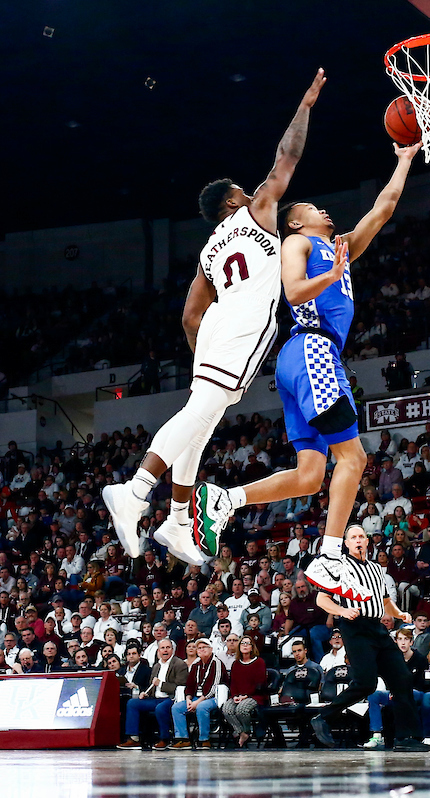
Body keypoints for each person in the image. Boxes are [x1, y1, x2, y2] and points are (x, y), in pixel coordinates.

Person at [101, 70, 326, 565]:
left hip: (218, 326)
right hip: (241, 324)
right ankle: (135, 491)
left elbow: (188, 316)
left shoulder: (208, 250)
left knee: (202, 422)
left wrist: (205, 352)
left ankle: (178, 523)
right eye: (243, 191)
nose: (252, 193)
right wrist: (305, 105)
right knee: (200, 415)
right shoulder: (257, 213)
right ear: (232, 201)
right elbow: (286, 157)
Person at [196, 142, 423, 600]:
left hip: (303, 360)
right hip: (311, 349)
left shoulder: (340, 248)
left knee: (310, 476)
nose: (326, 211)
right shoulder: (296, 242)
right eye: (315, 208)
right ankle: (331, 554)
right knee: (354, 459)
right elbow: (296, 292)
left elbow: (384, 208)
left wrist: (402, 161)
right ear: (296, 220)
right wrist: (331, 271)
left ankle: (225, 499)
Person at [306, 525, 430, 751]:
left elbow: (384, 602)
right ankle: (323, 716)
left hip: (377, 627)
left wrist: (399, 613)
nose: (358, 540)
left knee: (402, 679)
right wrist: (342, 611)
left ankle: (406, 737)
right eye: (353, 537)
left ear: (367, 541)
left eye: (361, 536)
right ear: (346, 543)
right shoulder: (339, 566)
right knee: (366, 683)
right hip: (354, 628)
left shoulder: (376, 568)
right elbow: (321, 600)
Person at [362, 627, 430, 749]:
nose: (403, 642)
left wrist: (400, 692)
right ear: (395, 641)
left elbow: (424, 683)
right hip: (394, 692)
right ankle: (377, 735)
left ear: (411, 642)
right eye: (400, 639)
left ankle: (410, 736)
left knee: (406, 695)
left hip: (416, 692)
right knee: (374, 695)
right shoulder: (392, 659)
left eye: (406, 639)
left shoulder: (420, 659)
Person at [117, 639, 188, 750]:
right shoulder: (156, 666)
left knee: (160, 708)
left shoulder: (179, 664)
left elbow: (179, 687)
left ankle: (164, 738)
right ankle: (134, 738)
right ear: (158, 651)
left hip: (171, 698)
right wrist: (145, 693)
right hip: (156, 698)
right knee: (132, 703)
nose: (165, 650)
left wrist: (161, 683)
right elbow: (152, 686)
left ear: (172, 650)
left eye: (168, 647)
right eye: (162, 648)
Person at [167, 638, 224, 749]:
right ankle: (183, 739)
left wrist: (197, 702)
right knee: (177, 707)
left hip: (213, 698)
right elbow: (190, 685)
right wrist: (188, 699)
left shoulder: (217, 663)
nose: (202, 650)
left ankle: (204, 739)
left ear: (211, 649)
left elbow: (213, 687)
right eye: (199, 648)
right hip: (195, 697)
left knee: (202, 707)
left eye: (204, 647)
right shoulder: (195, 664)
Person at [221, 637, 268, 748]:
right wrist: (235, 696)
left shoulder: (259, 662)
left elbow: (260, 684)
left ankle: (246, 731)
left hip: (255, 695)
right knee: (226, 709)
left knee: (241, 709)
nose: (245, 645)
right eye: (243, 643)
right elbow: (233, 684)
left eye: (248, 643)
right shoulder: (236, 664)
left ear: (252, 647)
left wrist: (246, 696)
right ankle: (242, 732)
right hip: (239, 695)